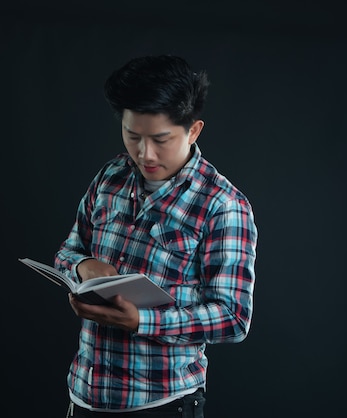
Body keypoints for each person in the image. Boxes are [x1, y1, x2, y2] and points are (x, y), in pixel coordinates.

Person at [54, 54, 258, 417]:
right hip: (84, 395)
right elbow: (69, 251)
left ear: (193, 130)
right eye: (133, 136)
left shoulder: (222, 204)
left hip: (161, 404)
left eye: (160, 139)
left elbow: (233, 317)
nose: (144, 153)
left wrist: (142, 322)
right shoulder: (111, 176)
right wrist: (84, 267)